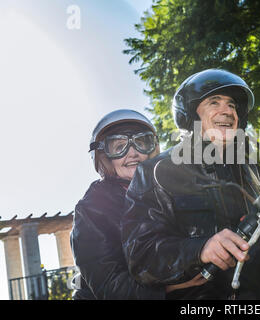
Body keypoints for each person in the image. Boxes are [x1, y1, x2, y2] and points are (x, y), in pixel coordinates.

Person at [121, 70, 260, 299]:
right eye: (214, 102)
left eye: (232, 105)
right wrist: (200, 249)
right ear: (191, 115)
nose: (227, 111)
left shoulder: (249, 169)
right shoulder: (156, 170)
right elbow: (141, 256)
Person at [70, 109, 205, 300]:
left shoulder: (170, 190)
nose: (133, 153)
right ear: (104, 157)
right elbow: (110, 285)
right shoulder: (92, 208)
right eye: (119, 147)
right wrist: (169, 289)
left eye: (142, 143)